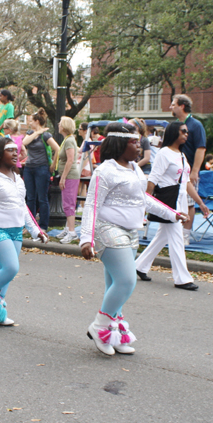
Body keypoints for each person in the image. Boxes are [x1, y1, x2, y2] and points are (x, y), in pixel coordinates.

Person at [79, 122, 179, 356]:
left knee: (114, 286)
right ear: (120, 144)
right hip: (108, 229)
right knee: (126, 281)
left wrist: (171, 213)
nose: (139, 146)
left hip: (131, 232)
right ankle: (99, 327)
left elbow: (143, 198)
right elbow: (92, 204)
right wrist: (86, 239)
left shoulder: (134, 168)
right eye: (134, 142)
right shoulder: (105, 171)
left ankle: (113, 333)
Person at [0, 138, 48, 325]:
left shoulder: (19, 179)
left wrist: (35, 230)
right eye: (10, 150)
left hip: (15, 230)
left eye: (17, 150)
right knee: (11, 267)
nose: (16, 154)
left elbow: (22, 207)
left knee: (6, 271)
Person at [135, 121, 208, 289]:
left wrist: (200, 203)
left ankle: (139, 266)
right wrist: (146, 203)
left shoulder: (181, 156)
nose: (186, 134)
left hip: (179, 201)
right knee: (176, 237)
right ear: (174, 132)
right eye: (183, 131)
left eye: (187, 132)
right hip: (168, 201)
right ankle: (182, 278)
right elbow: (153, 179)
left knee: (163, 236)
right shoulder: (164, 154)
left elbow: (186, 183)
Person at [169, 94, 206, 245]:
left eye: (173, 104)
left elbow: (200, 148)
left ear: (182, 106)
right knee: (175, 201)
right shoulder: (175, 125)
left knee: (189, 203)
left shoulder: (195, 125)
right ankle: (175, 232)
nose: (170, 107)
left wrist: (195, 170)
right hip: (175, 170)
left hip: (188, 170)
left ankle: (185, 234)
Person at [21, 109, 59, 232]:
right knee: (30, 197)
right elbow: (24, 142)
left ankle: (43, 226)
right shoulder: (30, 133)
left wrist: (53, 165)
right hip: (29, 168)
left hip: (42, 168)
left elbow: (57, 149)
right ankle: (30, 225)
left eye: (31, 121)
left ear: (37, 121)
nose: (29, 123)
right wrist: (37, 132)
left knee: (42, 198)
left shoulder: (46, 135)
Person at [55, 117, 81, 243]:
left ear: (64, 126)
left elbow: (70, 160)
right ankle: (68, 228)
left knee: (68, 203)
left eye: (60, 123)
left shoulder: (69, 141)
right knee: (67, 203)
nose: (58, 125)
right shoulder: (68, 140)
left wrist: (63, 178)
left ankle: (72, 232)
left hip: (70, 176)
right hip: (69, 175)